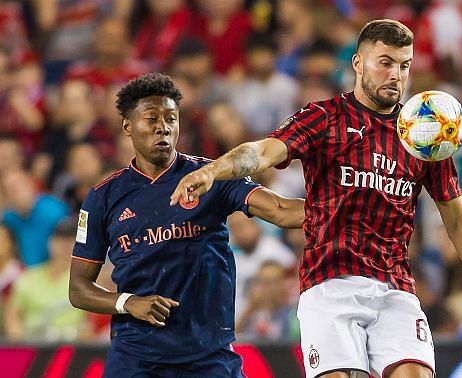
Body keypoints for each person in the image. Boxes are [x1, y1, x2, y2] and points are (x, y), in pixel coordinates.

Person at [171, 19, 462, 378]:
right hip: (329, 285)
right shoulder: (324, 118)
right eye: (385, 62)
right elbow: (262, 153)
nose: (396, 75)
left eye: (404, 65)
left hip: (394, 287)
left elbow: (458, 220)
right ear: (357, 63)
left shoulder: (423, 137)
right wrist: (214, 170)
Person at [68, 73, 304, 377]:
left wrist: (350, 209)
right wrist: (128, 303)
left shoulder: (210, 176)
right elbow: (78, 289)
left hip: (208, 353)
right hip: (137, 356)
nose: (163, 127)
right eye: (151, 118)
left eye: (171, 118)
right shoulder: (104, 197)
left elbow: (282, 211)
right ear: (127, 125)